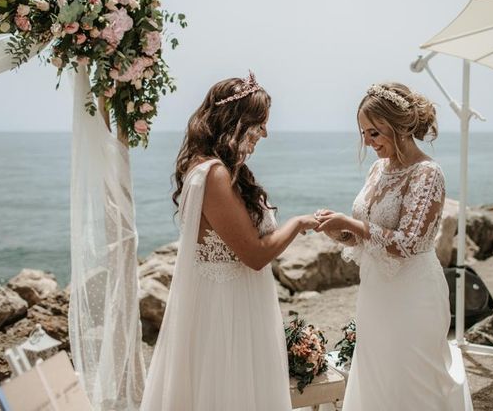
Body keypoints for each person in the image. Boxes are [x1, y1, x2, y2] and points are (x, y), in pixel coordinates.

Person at [140, 72, 318, 411]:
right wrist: (298, 223)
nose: (264, 133)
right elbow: (254, 254)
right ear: (236, 122)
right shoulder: (215, 174)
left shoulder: (215, 168)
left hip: (231, 301)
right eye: (259, 124)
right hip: (226, 310)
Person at [315, 82, 472, 410]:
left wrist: (350, 223)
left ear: (399, 127)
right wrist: (337, 231)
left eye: (374, 132)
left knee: (413, 379)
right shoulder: (377, 170)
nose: (368, 142)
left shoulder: (427, 174)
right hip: (375, 292)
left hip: (414, 294)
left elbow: (409, 243)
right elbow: (366, 237)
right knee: (379, 374)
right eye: (363, 133)